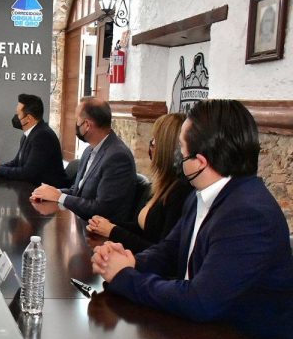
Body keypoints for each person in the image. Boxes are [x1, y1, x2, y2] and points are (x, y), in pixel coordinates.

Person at [91, 99, 293, 323]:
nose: (176, 154)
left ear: (200, 162)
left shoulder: (248, 215)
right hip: (201, 329)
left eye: (181, 147)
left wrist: (124, 276)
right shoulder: (202, 195)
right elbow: (169, 251)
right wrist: (130, 262)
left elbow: (201, 301)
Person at [86, 112, 192, 253]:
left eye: (154, 140)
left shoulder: (180, 192)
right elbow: (143, 229)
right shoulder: (162, 185)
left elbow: (162, 253)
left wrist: (113, 231)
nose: (151, 145)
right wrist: (107, 224)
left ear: (165, 148)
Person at [30, 97, 136, 224]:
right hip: (81, 223)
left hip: (99, 231)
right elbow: (77, 191)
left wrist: (59, 197)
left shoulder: (117, 157)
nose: (75, 124)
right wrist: (53, 192)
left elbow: (102, 209)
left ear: (87, 125)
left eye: (77, 120)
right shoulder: (89, 150)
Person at [0, 93, 69, 187]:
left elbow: (28, 173)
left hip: (49, 192)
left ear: (28, 118)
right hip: (33, 189)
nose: (15, 116)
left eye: (18, 114)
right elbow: (17, 163)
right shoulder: (29, 134)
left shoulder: (43, 136)